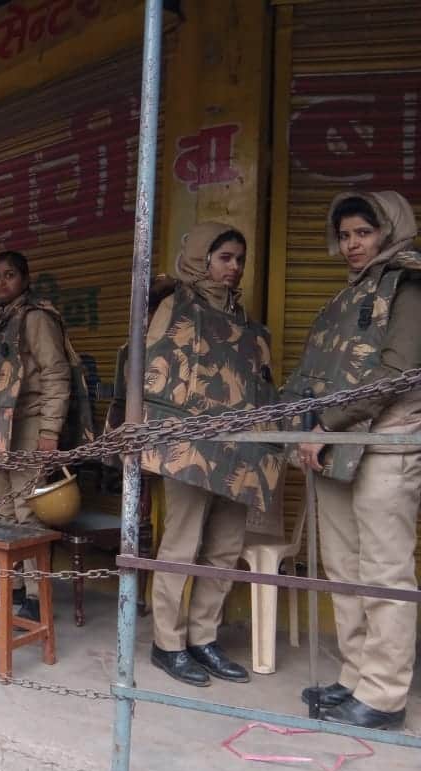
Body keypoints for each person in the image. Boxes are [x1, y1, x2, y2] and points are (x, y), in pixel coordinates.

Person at [284, 191, 421, 730]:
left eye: (363, 232)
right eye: (344, 235)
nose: (352, 244)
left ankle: (384, 695)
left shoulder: (409, 284)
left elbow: (396, 373)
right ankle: (356, 675)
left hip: (387, 442)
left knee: (385, 571)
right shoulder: (348, 297)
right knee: (343, 567)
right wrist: (305, 427)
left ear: (389, 230)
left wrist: (326, 425)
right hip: (338, 445)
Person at [142, 223, 282, 687]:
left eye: (239, 259)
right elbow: (152, 371)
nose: (234, 267)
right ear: (202, 258)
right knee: (181, 545)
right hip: (187, 448)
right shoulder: (174, 306)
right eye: (225, 258)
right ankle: (168, 642)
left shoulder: (244, 320)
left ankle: (203, 638)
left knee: (224, 548)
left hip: (238, 450)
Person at [0, 250, 93, 622]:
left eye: (9, 275)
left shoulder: (37, 318)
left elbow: (56, 374)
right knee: (2, 511)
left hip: (27, 425)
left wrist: (49, 432)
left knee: (28, 514)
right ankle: (13, 585)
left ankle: (36, 595)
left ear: (25, 279)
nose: (1, 282)